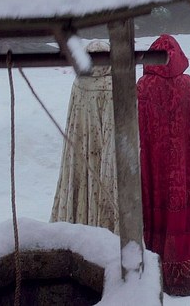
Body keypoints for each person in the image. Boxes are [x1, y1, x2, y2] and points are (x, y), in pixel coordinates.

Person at [137, 34, 190, 296]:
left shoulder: (142, 89)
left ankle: (152, 271)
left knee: (155, 209)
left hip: (154, 170)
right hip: (185, 171)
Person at [51, 40, 119, 234]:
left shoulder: (79, 82)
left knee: (82, 185)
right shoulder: (112, 87)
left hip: (79, 151)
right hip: (104, 158)